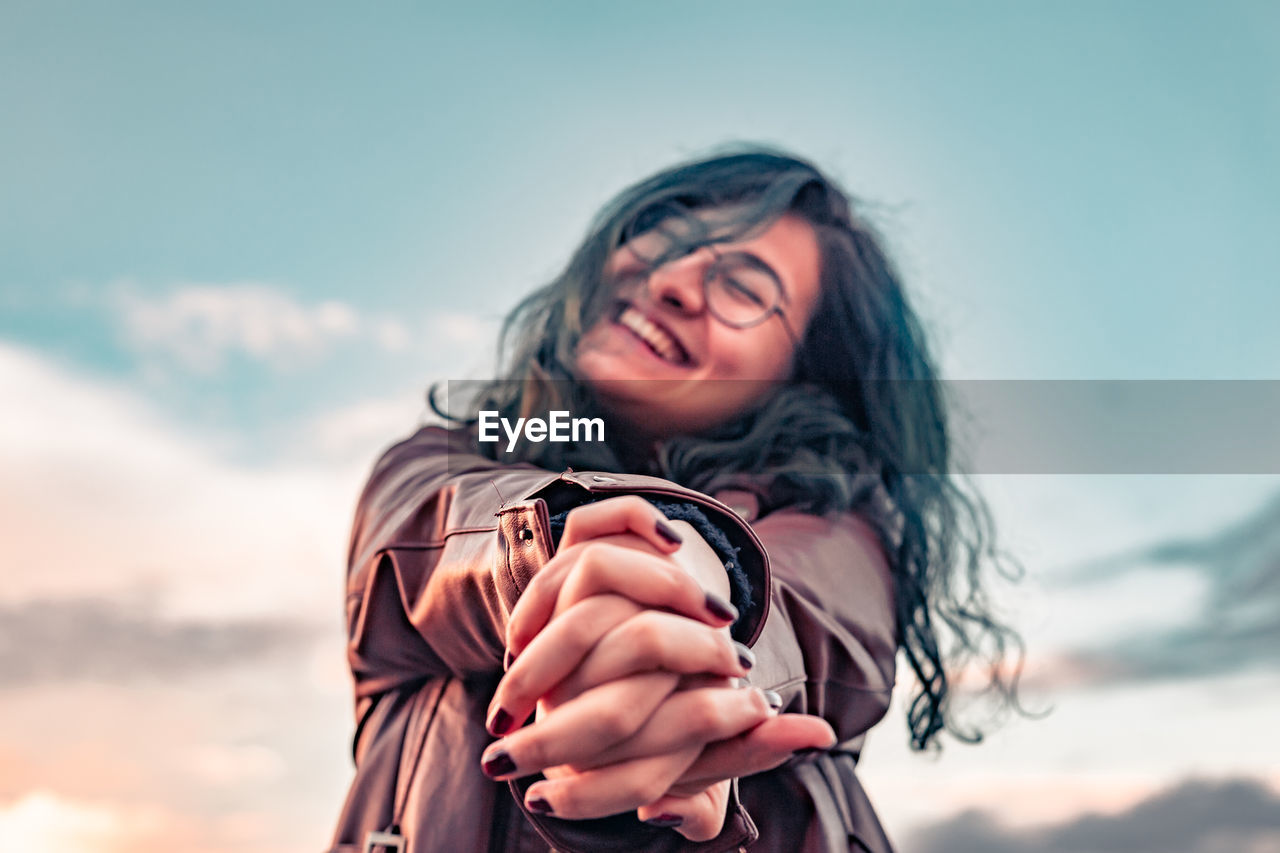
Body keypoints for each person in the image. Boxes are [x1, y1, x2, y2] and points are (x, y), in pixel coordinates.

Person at [328, 148, 1024, 852]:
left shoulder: (844, 531)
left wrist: (700, 584)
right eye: (671, 236)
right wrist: (578, 544)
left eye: (744, 290)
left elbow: (808, 610)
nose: (673, 281)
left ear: (806, 375)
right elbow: (439, 532)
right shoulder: (440, 460)